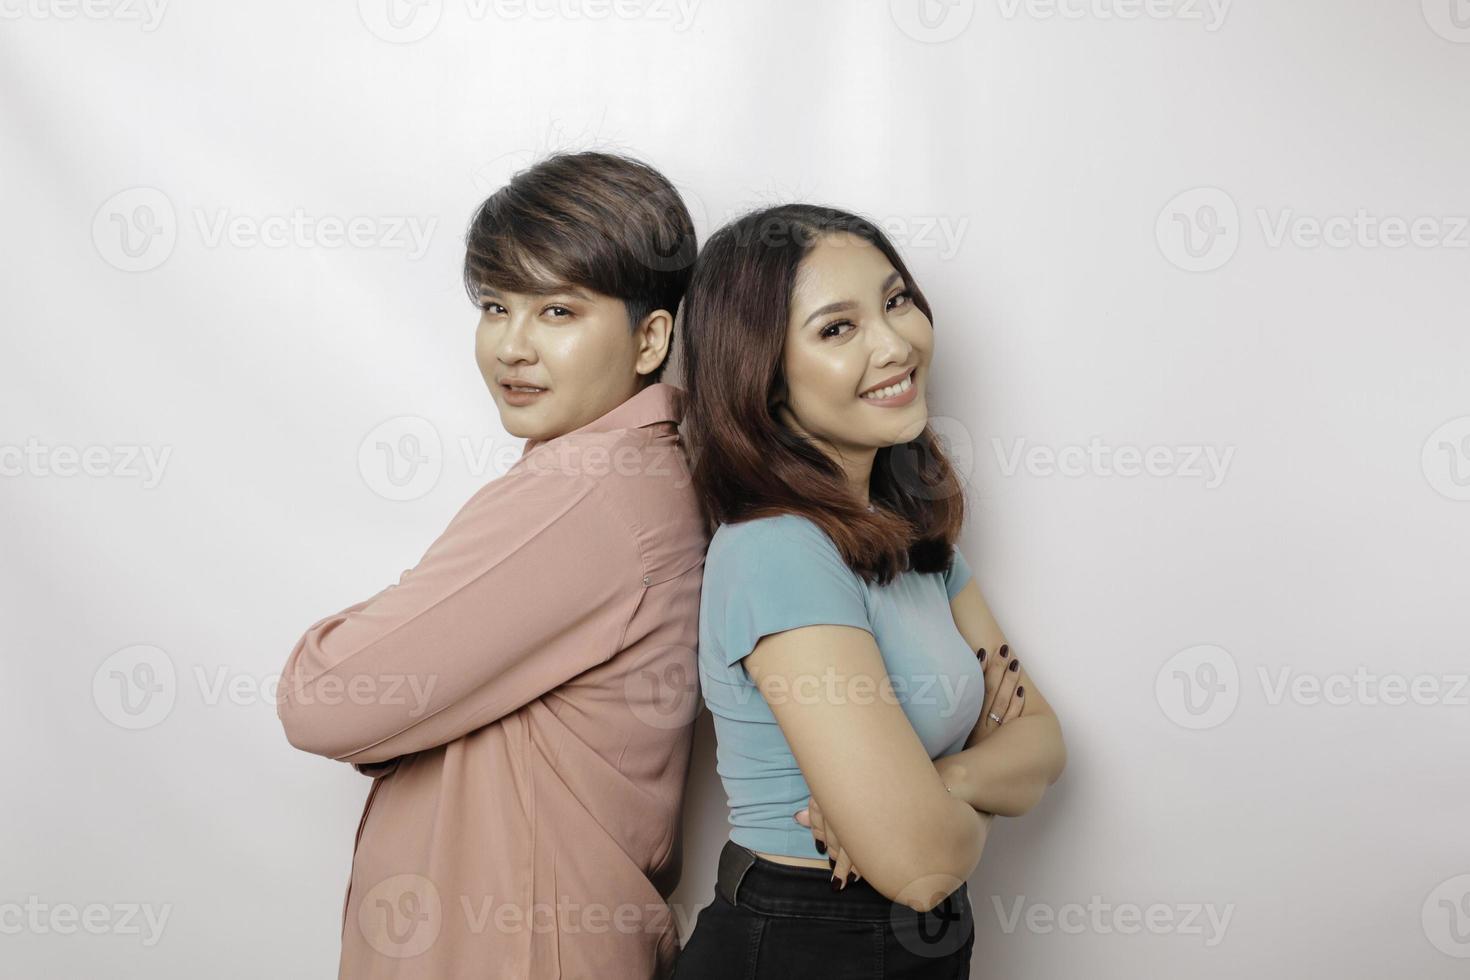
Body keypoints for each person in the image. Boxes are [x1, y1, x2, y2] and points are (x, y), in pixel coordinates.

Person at [276, 151, 707, 979]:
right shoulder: (643, 470)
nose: (512, 346)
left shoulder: (585, 492)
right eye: (495, 306)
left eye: (557, 310)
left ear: (650, 339)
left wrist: (377, 662)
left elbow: (323, 698)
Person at [671, 204, 1067, 977]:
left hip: (908, 942)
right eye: (836, 328)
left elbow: (1043, 741)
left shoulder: (914, 540)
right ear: (766, 377)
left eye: (895, 301)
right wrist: (938, 812)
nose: (894, 344)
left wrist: (941, 785)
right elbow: (922, 861)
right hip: (803, 938)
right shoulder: (777, 550)